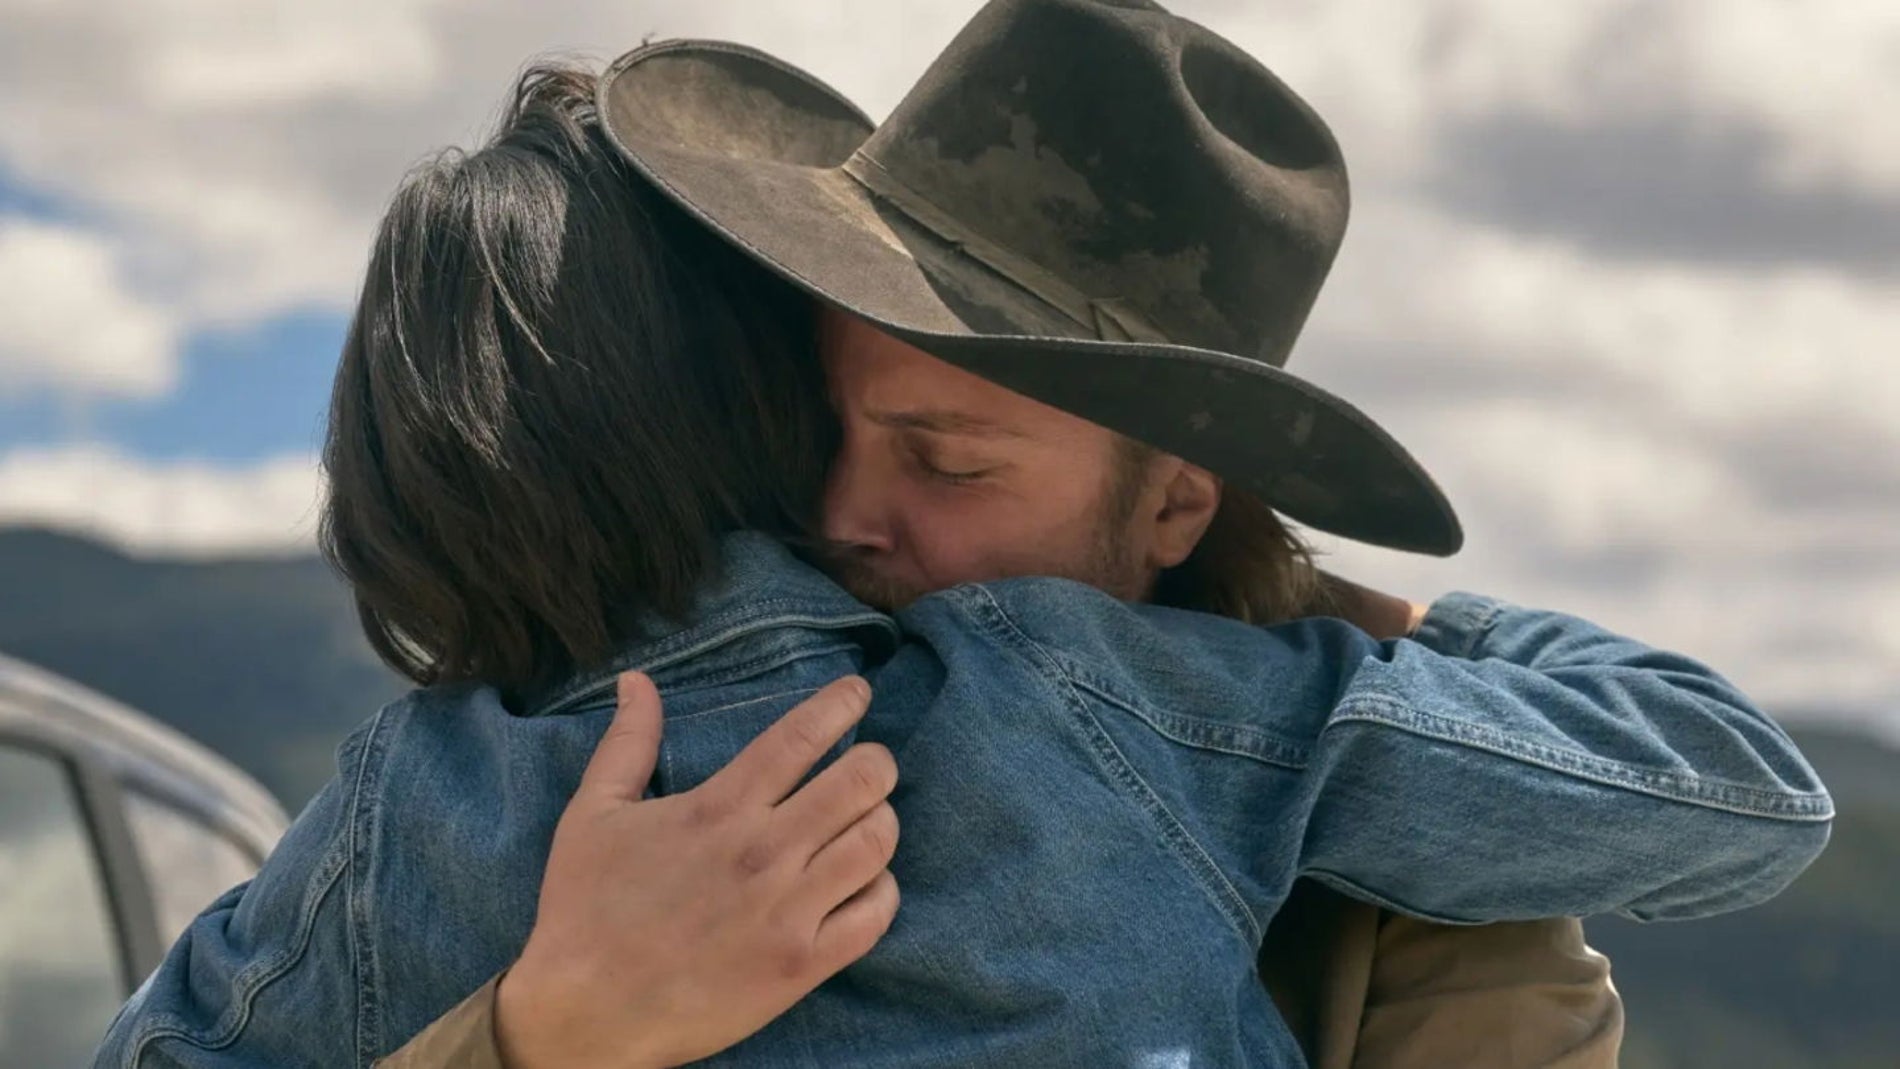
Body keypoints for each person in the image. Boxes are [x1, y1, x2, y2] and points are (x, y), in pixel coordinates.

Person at [93, 8, 1830, 1069]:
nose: (848, 514)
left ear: (1176, 501)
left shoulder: (438, 791)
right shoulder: (1175, 714)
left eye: (948, 459)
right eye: (827, 426)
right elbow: (1735, 788)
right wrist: (549, 1030)